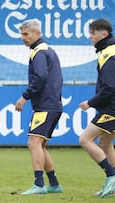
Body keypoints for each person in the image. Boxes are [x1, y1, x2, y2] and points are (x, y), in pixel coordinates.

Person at [15, 19, 63, 195]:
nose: (22, 38)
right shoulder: (47, 50)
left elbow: (40, 77)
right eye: (21, 34)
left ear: (37, 33)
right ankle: (54, 184)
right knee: (40, 145)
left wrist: (24, 97)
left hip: (46, 106)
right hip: (52, 104)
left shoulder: (39, 52)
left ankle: (39, 184)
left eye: (25, 34)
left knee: (33, 143)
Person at [79, 18, 115, 198]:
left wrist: (91, 102)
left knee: (85, 139)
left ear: (104, 34)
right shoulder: (110, 50)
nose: (90, 37)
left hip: (112, 109)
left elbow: (109, 87)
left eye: (93, 33)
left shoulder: (107, 53)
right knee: (105, 143)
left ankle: (111, 175)